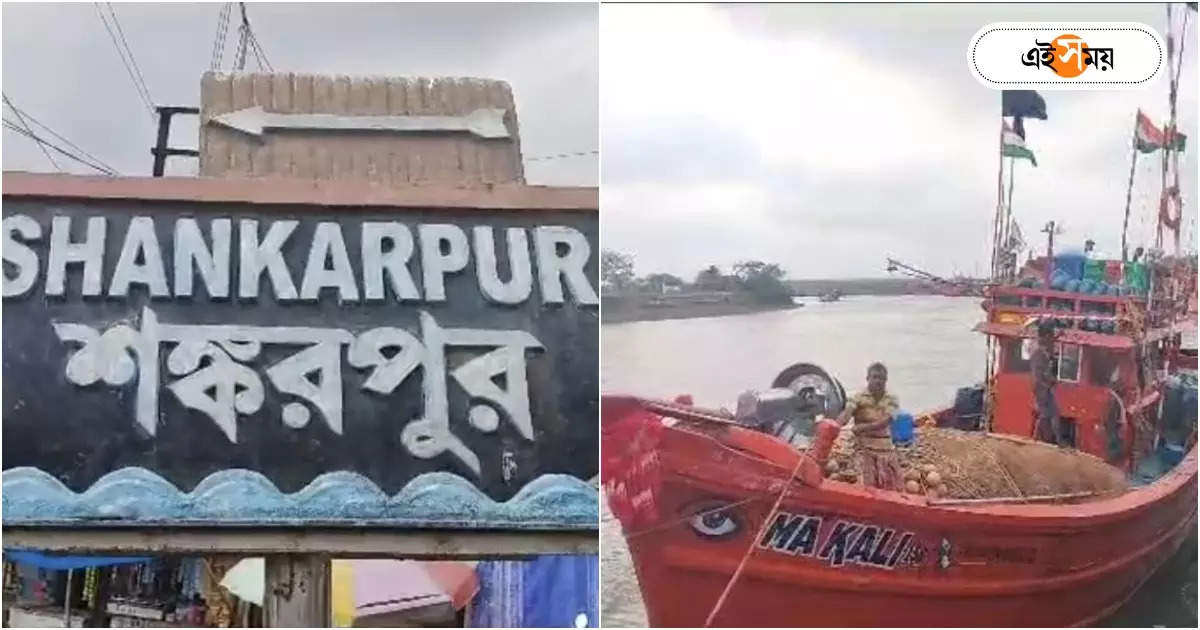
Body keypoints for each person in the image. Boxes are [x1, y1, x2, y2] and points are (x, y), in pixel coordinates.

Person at [837, 362, 902, 490]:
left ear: (886, 380)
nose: (878, 381)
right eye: (875, 377)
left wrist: (860, 428)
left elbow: (885, 422)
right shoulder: (858, 397)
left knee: (896, 486)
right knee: (868, 485)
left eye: (881, 378)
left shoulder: (893, 399)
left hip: (886, 448)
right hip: (864, 446)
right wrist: (834, 424)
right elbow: (846, 415)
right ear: (868, 378)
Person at [1031, 320, 1066, 446]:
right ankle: (1042, 439)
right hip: (1042, 387)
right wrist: (1051, 381)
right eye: (1051, 334)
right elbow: (1039, 374)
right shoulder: (1039, 352)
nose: (1052, 337)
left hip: (1043, 386)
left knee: (1050, 413)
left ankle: (1051, 440)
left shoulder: (1041, 346)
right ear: (1046, 335)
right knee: (1047, 414)